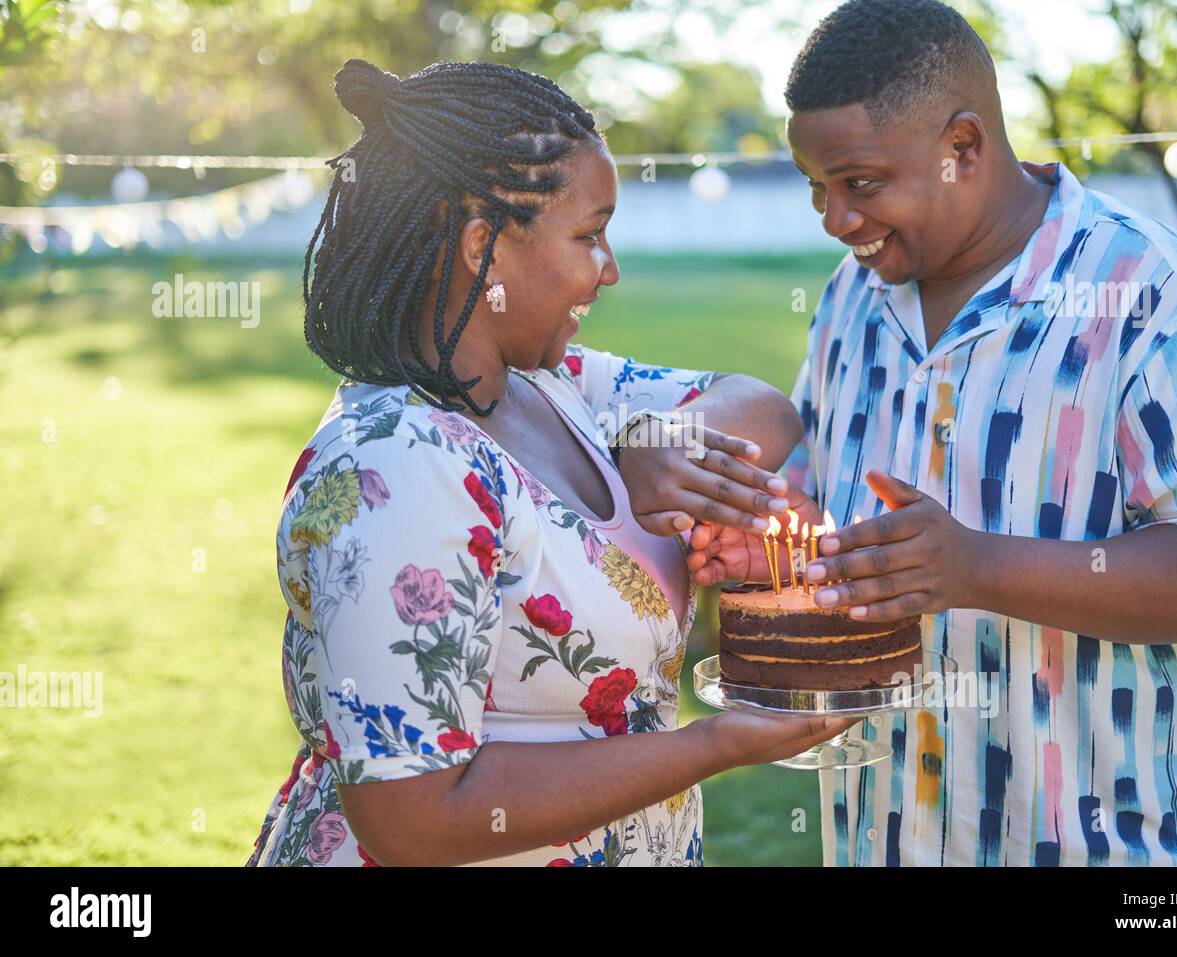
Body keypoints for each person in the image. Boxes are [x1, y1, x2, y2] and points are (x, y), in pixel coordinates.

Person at [688, 0, 1177, 866]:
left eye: (860, 183)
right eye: (817, 188)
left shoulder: (1152, 293)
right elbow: (841, 512)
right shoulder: (851, 298)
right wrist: (784, 543)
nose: (835, 218)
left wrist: (974, 565)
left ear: (962, 147)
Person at [246, 58, 852, 867]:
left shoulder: (551, 385)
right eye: (589, 235)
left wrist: (661, 443)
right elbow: (413, 817)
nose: (610, 268)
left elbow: (764, 406)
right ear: (482, 249)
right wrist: (713, 744)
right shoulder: (398, 468)